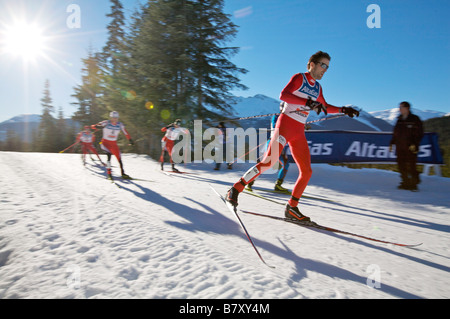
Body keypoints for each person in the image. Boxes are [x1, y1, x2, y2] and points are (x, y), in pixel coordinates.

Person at [226, 51, 359, 223]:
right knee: (268, 163)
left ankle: (292, 208)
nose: (325, 70)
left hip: (298, 131)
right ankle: (235, 190)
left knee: (306, 172)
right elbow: (284, 95)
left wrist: (343, 109)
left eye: (327, 67)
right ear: (312, 64)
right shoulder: (299, 78)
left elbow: (325, 106)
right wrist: (308, 103)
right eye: (322, 65)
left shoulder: (318, 88)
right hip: (285, 126)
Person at [389, 102, 424, 191]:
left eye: (401, 107)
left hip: (410, 147)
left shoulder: (414, 119)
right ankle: (405, 182)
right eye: (399, 107)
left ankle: (414, 184)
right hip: (400, 147)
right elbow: (395, 133)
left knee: (411, 166)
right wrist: (392, 143)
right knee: (401, 165)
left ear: (407, 108)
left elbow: (419, 133)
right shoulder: (399, 119)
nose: (399, 109)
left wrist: (414, 144)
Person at [92, 111, 134, 180]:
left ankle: (123, 173)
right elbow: (94, 126)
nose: (115, 119)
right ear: (111, 118)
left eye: (116, 118)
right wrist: (96, 126)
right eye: (113, 118)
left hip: (114, 144)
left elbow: (125, 132)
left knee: (119, 158)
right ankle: (109, 173)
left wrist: (130, 140)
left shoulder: (120, 124)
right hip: (104, 143)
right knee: (109, 155)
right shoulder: (106, 122)